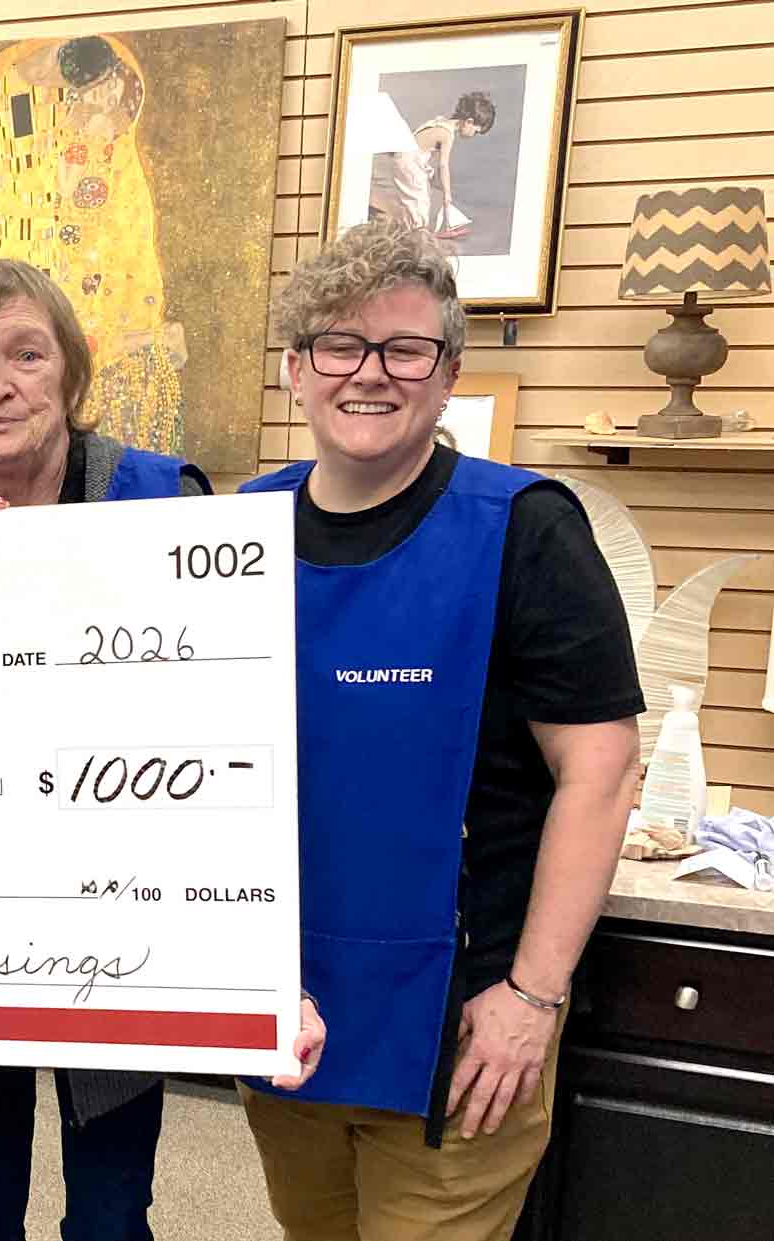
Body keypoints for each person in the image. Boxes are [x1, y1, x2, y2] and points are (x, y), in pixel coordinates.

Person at [0, 257, 326, 1241]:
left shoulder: (161, 499)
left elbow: (226, 712)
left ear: (71, 375)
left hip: (125, 907)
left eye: (25, 355)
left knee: (113, 1212)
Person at [237, 220, 641, 1241]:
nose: (370, 372)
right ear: (296, 369)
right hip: (288, 1011)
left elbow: (600, 771)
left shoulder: (527, 528)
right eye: (339, 344)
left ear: (449, 372)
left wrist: (531, 998)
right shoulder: (238, 531)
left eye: (405, 348)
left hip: (464, 1027)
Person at [370, 91, 495, 238]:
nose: (473, 135)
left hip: (407, 160)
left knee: (417, 198)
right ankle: (417, 234)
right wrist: (447, 193)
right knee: (419, 202)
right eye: (475, 131)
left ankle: (413, 228)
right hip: (410, 164)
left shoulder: (439, 121)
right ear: (469, 122)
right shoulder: (447, 134)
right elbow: (443, 165)